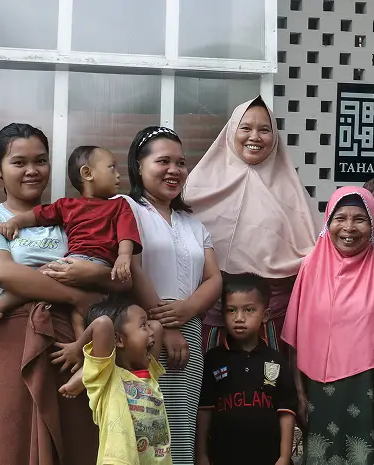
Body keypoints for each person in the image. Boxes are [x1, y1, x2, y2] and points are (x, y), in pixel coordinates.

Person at [0, 123, 121, 465]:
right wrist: (78, 294)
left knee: (79, 434)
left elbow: (118, 277)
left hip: (72, 343)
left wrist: (91, 276)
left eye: (41, 160)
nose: (32, 171)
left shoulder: (71, 213)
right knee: (15, 435)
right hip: (14, 335)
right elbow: (2, 272)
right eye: (19, 162)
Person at [0, 146, 144, 373]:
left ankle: (0, 304)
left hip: (100, 264)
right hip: (74, 260)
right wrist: (16, 222)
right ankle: (82, 352)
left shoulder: (119, 205)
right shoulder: (67, 205)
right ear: (87, 173)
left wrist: (123, 257)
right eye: (112, 167)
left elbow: (126, 234)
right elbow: (38, 215)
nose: (118, 175)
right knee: (77, 312)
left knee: (46, 275)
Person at [115, 126, 223, 465]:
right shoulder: (125, 208)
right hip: (141, 334)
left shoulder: (192, 223)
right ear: (138, 165)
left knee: (180, 426)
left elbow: (213, 278)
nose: (174, 170)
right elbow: (131, 268)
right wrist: (167, 327)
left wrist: (188, 311)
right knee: (145, 428)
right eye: (163, 161)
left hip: (189, 333)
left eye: (181, 163)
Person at [282, 187, 374, 465]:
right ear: (328, 222)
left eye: (360, 219)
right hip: (317, 391)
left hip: (369, 388)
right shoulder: (311, 266)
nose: (349, 227)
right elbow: (295, 336)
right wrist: (299, 393)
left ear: (373, 223)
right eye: (341, 218)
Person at [186, 97, 318, 352]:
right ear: (231, 131)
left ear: (275, 136)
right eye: (245, 128)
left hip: (270, 321)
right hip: (206, 317)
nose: (254, 137)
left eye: (264, 130)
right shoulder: (196, 186)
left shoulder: (293, 194)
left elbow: (316, 252)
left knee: (266, 388)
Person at [197, 272, 297, 465]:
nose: (239, 318)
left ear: (265, 315)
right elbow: (204, 411)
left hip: (268, 458)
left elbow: (286, 411)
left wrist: (284, 457)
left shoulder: (276, 361)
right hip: (223, 457)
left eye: (249, 310)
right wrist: (201, 455)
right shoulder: (213, 359)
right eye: (231, 310)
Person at [76, 294, 171, 464]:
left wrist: (144, 323)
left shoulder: (149, 373)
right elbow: (103, 323)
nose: (151, 331)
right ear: (119, 339)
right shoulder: (105, 379)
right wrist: (78, 347)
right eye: (143, 326)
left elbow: (157, 326)